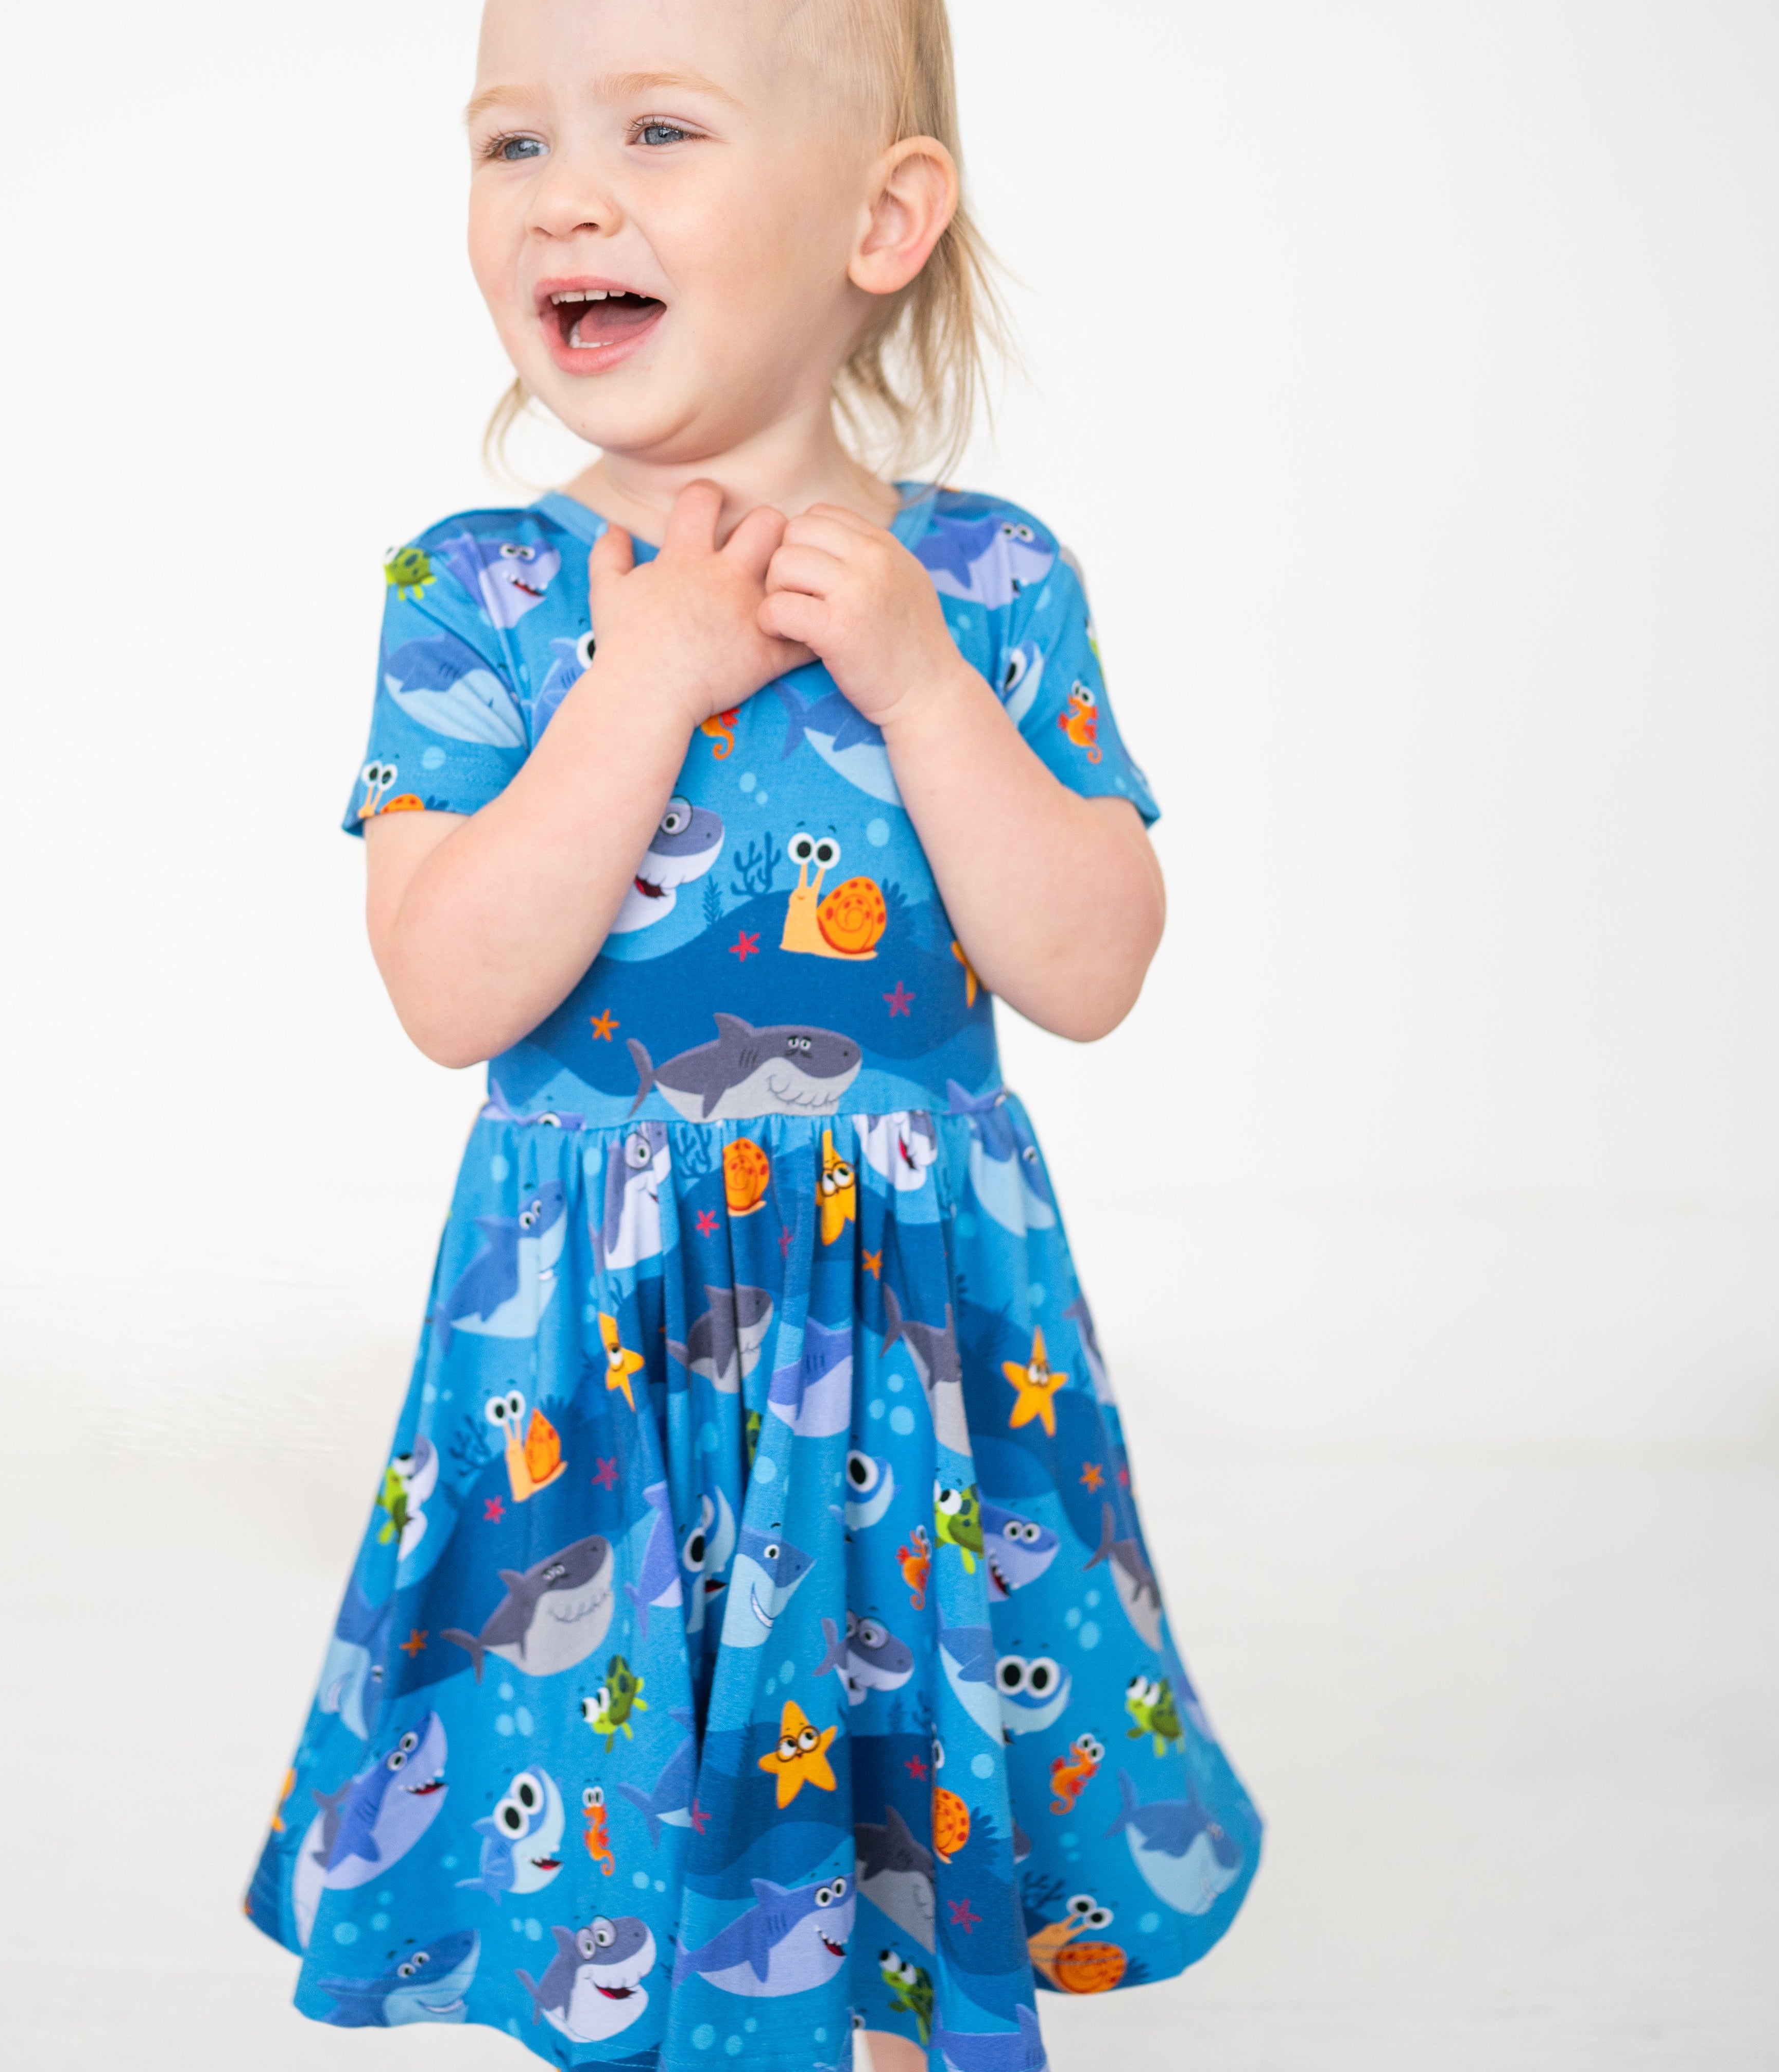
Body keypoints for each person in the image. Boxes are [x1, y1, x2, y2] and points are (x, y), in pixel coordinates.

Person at [244, 3, 1261, 2064]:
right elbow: (451, 987)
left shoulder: (980, 584)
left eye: (658, 132)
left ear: (881, 218)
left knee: (891, 1813)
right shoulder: (484, 598)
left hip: (901, 1369)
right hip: (593, 1365)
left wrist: (923, 687)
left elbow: (1087, 963)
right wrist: (645, 681)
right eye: (510, 145)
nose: (569, 196)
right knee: (611, 1825)